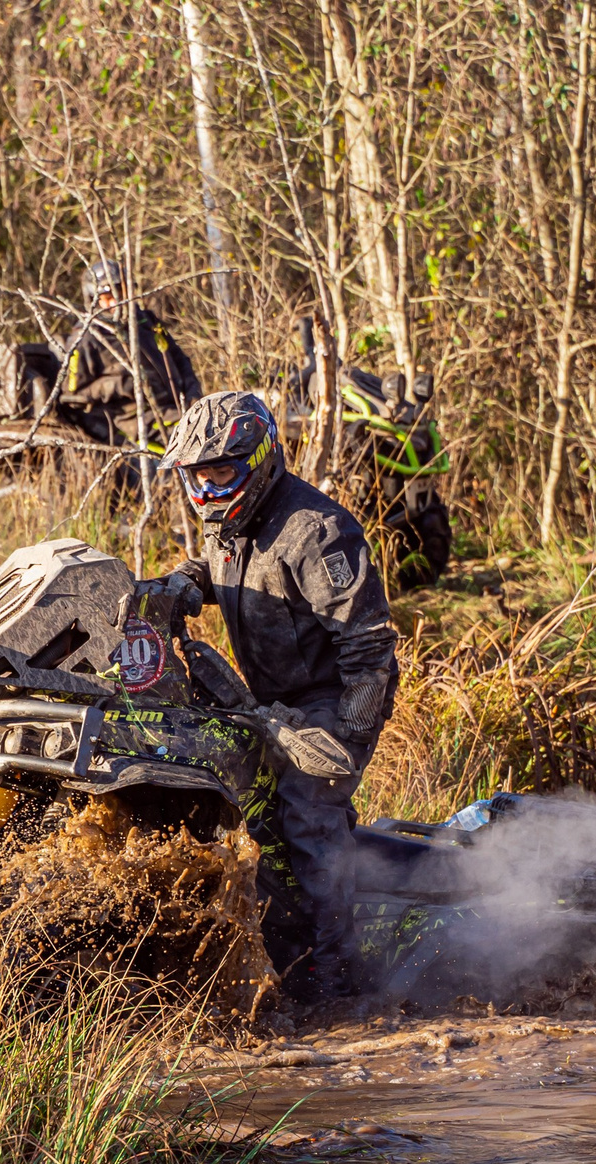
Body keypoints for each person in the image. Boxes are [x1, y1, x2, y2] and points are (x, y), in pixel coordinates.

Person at [137, 390, 399, 1001]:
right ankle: (282, 946)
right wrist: (180, 585)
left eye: (221, 473)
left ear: (259, 461)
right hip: (272, 703)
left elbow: (369, 645)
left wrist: (345, 738)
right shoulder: (229, 525)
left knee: (307, 814)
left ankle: (336, 976)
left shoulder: (318, 533)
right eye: (197, 477)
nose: (207, 489)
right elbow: (216, 567)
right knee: (243, 800)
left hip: (335, 698)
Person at [55, 259, 202, 447]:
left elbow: (180, 360)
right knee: (194, 440)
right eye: (108, 297)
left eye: (120, 292)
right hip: (136, 421)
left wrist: (193, 394)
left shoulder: (146, 321)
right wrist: (119, 383)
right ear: (93, 299)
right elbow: (71, 396)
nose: (116, 302)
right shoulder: (86, 337)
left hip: (178, 408)